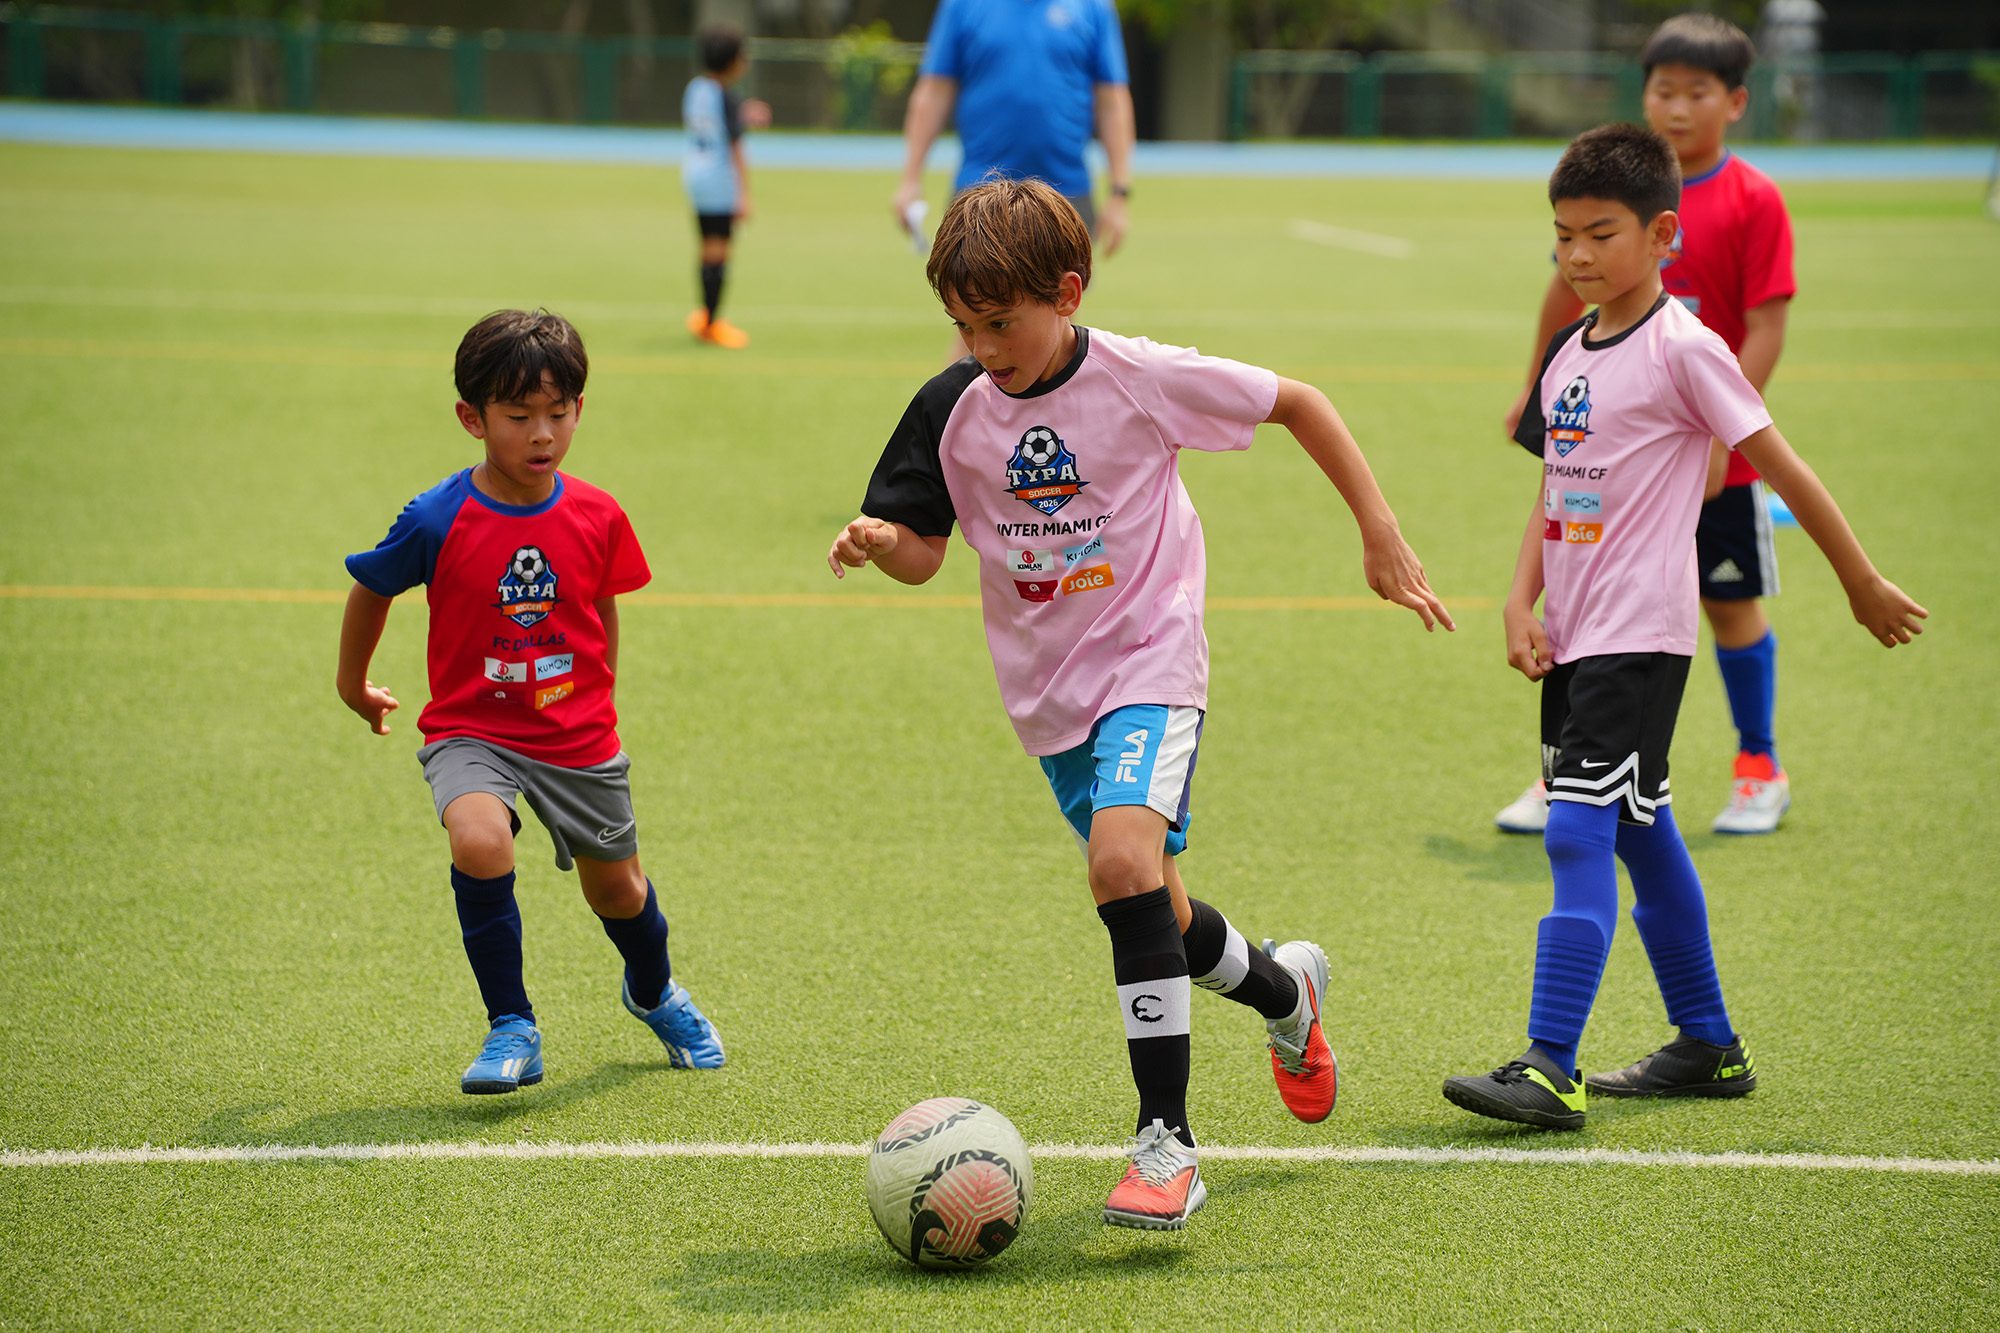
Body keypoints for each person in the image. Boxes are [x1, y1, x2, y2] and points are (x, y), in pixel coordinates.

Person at [828, 179, 1453, 1226]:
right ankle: (1284, 992)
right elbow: (925, 550)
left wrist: (1378, 531)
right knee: (1156, 907)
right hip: (1048, 695)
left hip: (1150, 660)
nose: (982, 346)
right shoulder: (949, 405)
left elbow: (1299, 402)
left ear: (1067, 293)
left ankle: (1166, 1144)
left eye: (1001, 322)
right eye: (964, 325)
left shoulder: (1138, 376)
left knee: (1118, 865)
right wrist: (883, 540)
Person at [1444, 125, 1925, 1131]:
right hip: (1576, 638)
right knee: (1641, 829)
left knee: (1575, 828)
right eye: (1561, 236)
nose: (1576, 255)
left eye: (1600, 234)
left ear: (1662, 234)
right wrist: (1520, 598)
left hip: (1640, 638)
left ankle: (1549, 1063)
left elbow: (1783, 468)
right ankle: (1707, 1042)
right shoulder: (1568, 350)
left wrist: (1860, 580)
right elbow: (1553, 485)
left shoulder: (1686, 349)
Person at [337, 309, 725, 1094]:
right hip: (472, 730)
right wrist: (354, 683)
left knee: (619, 891)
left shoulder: (598, 514)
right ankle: (511, 1023)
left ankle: (654, 991)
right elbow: (372, 587)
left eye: (559, 412)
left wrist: (600, 694)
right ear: (471, 418)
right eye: (518, 416)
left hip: (576, 735)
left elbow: (600, 604)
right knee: (480, 840)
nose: (542, 433)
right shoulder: (437, 516)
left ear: (580, 408)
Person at [1495, 14, 1800, 836]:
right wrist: (1534, 388)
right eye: (1664, 90)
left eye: (1697, 92)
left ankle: (1758, 763)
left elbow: (1766, 325)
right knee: (1589, 605)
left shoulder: (1752, 199)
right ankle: (1571, 769)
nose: (1677, 107)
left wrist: (1721, 435)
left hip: (1712, 446)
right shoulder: (1607, 194)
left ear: (1735, 102)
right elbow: (1564, 300)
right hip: (1617, 452)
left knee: (1729, 605)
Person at [892, 0, 1135, 255]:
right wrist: (910, 179)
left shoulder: (1093, 7)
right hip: (979, 194)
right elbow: (934, 91)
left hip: (1066, 194)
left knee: (1064, 281)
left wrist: (1119, 193)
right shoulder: (962, 5)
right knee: (975, 281)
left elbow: (1112, 100)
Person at [682, 23, 769, 350]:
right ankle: (711, 323)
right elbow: (735, 148)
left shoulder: (696, 88)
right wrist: (743, 194)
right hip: (719, 181)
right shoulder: (727, 95)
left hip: (695, 175)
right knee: (719, 252)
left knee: (707, 248)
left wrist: (743, 113)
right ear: (732, 61)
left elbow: (712, 121)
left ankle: (705, 315)